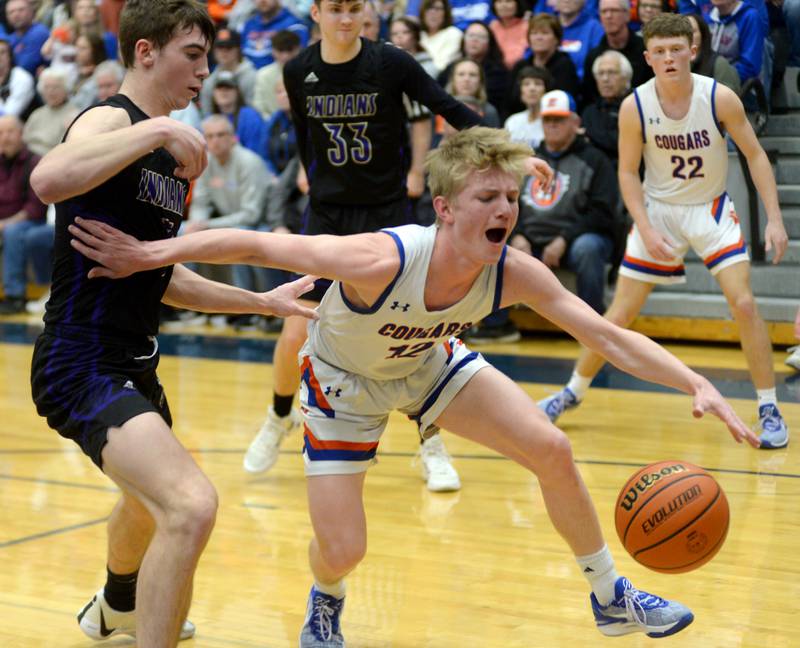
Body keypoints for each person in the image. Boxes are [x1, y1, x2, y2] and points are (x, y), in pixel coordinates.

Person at [68, 126, 760, 648]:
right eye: (487, 197)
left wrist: (693, 379)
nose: (505, 209)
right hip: (344, 383)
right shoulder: (381, 257)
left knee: (549, 447)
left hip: (427, 362)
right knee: (345, 549)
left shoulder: (510, 269)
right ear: (445, 209)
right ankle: (326, 597)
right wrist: (150, 254)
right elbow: (254, 243)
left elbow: (606, 336)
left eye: (511, 197)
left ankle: (611, 596)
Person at [27, 2, 315, 646]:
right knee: (190, 506)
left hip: (134, 359)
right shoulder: (112, 119)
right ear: (146, 53)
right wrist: (154, 133)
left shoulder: (168, 152)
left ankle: (114, 606)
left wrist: (265, 304)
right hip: (80, 360)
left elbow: (161, 273)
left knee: (144, 502)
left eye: (208, 58)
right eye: (192, 55)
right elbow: (47, 179)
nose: (204, 71)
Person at [243, 0, 506, 492]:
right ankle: (279, 416)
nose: (347, 19)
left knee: (420, 338)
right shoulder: (299, 70)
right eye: (336, 9)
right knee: (296, 328)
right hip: (328, 216)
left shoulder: (391, 63)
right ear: (316, 12)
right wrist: (309, 176)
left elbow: (452, 110)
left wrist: (512, 155)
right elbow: (306, 140)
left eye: (355, 8)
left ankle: (432, 446)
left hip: (387, 216)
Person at [537, 14, 791, 450]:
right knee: (616, 318)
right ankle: (571, 393)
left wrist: (774, 218)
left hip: (709, 209)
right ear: (648, 57)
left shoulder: (720, 97)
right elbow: (628, 174)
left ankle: (768, 407)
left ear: (692, 50)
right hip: (659, 210)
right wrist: (644, 224)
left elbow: (755, 155)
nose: (670, 58)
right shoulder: (636, 105)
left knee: (745, 303)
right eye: (661, 51)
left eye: (677, 49)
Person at [0, 115, 47, 315]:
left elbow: (34, 208)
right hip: (5, 221)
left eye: (10, 132)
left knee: (12, 232)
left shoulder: (35, 161)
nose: (5, 138)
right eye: (1, 133)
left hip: (31, 222)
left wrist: (4, 224)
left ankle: (15, 296)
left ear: (22, 135)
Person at [581, 0, 653, 107]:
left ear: (627, 15)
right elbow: (590, 99)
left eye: (614, 10)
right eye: (604, 11)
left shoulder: (646, 50)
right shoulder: (593, 56)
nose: (608, 16)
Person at [508, 13, 581, 114]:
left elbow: (565, 102)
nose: (539, 37)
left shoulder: (565, 66)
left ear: (556, 39)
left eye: (545, 33)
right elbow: (509, 102)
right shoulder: (520, 66)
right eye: (534, 33)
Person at [581, 49, 632, 162]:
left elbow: (623, 144)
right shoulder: (589, 112)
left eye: (612, 73)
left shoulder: (638, 105)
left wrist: (591, 134)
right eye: (601, 73)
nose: (605, 79)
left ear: (626, 77)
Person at [199, 27, 257, 115]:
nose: (224, 51)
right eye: (220, 47)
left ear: (238, 49)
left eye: (229, 47)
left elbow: (255, 111)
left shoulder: (252, 77)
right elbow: (207, 115)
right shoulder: (209, 81)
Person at [22, 67, 80, 156]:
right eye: (46, 87)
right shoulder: (36, 114)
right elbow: (24, 141)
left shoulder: (74, 115)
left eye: (55, 87)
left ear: (66, 89)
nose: (50, 92)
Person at [686, 12, 741, 94]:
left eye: (692, 31)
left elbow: (728, 101)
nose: (687, 36)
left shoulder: (719, 64)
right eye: (683, 32)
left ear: (703, 34)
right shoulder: (674, 63)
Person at [503, 65, 551, 147]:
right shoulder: (512, 122)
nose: (532, 88)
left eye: (538, 84)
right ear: (520, 91)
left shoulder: (552, 122)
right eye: (526, 84)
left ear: (546, 90)